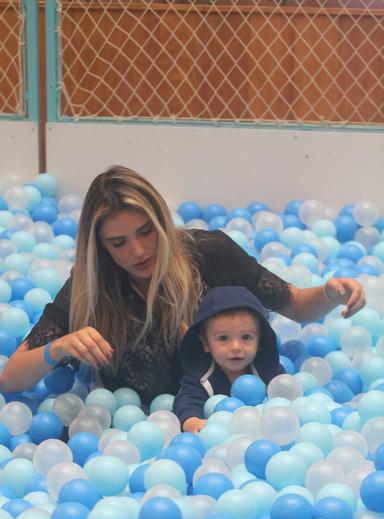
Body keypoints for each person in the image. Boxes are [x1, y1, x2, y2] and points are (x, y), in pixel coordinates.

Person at [0, 165, 365, 405]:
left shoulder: (208, 253)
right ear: (100, 247)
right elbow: (12, 378)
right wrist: (58, 347)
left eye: (146, 232)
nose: (139, 250)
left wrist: (330, 293)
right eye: (118, 243)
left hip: (222, 417)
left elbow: (296, 304)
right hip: (125, 432)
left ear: (161, 222)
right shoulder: (90, 286)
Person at [173, 285, 283, 433]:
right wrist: (192, 421)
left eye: (246, 337)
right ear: (206, 343)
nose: (236, 347)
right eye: (223, 338)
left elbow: (283, 397)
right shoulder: (200, 376)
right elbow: (187, 401)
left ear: (259, 342)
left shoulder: (269, 370)